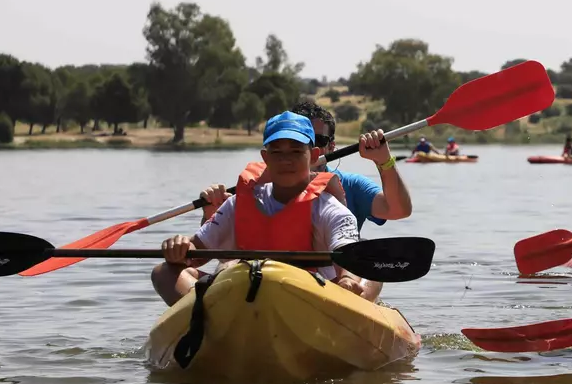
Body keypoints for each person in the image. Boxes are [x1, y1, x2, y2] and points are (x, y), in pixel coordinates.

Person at [151, 112, 370, 307]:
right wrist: (180, 247)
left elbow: (348, 255)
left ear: (313, 156)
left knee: (366, 271)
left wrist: (347, 279)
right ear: (265, 157)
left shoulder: (330, 210)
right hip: (246, 298)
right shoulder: (237, 204)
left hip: (310, 300)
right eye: (277, 152)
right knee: (164, 272)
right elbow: (196, 252)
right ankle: (208, 318)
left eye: (295, 151)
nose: (285, 160)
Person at [290, 101, 412, 230]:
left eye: (318, 140)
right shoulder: (273, 186)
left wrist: (384, 161)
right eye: (299, 140)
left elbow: (399, 211)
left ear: (331, 147)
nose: (309, 149)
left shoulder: (351, 185)